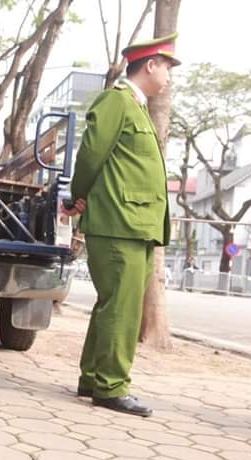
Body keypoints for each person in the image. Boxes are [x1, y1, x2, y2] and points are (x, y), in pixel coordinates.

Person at [64, 33, 181, 417]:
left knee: (113, 304)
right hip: (119, 222)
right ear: (150, 65)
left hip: (133, 223)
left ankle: (94, 376)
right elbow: (92, 153)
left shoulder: (136, 106)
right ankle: (112, 386)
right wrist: (76, 196)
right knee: (124, 308)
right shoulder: (117, 101)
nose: (168, 76)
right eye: (167, 67)